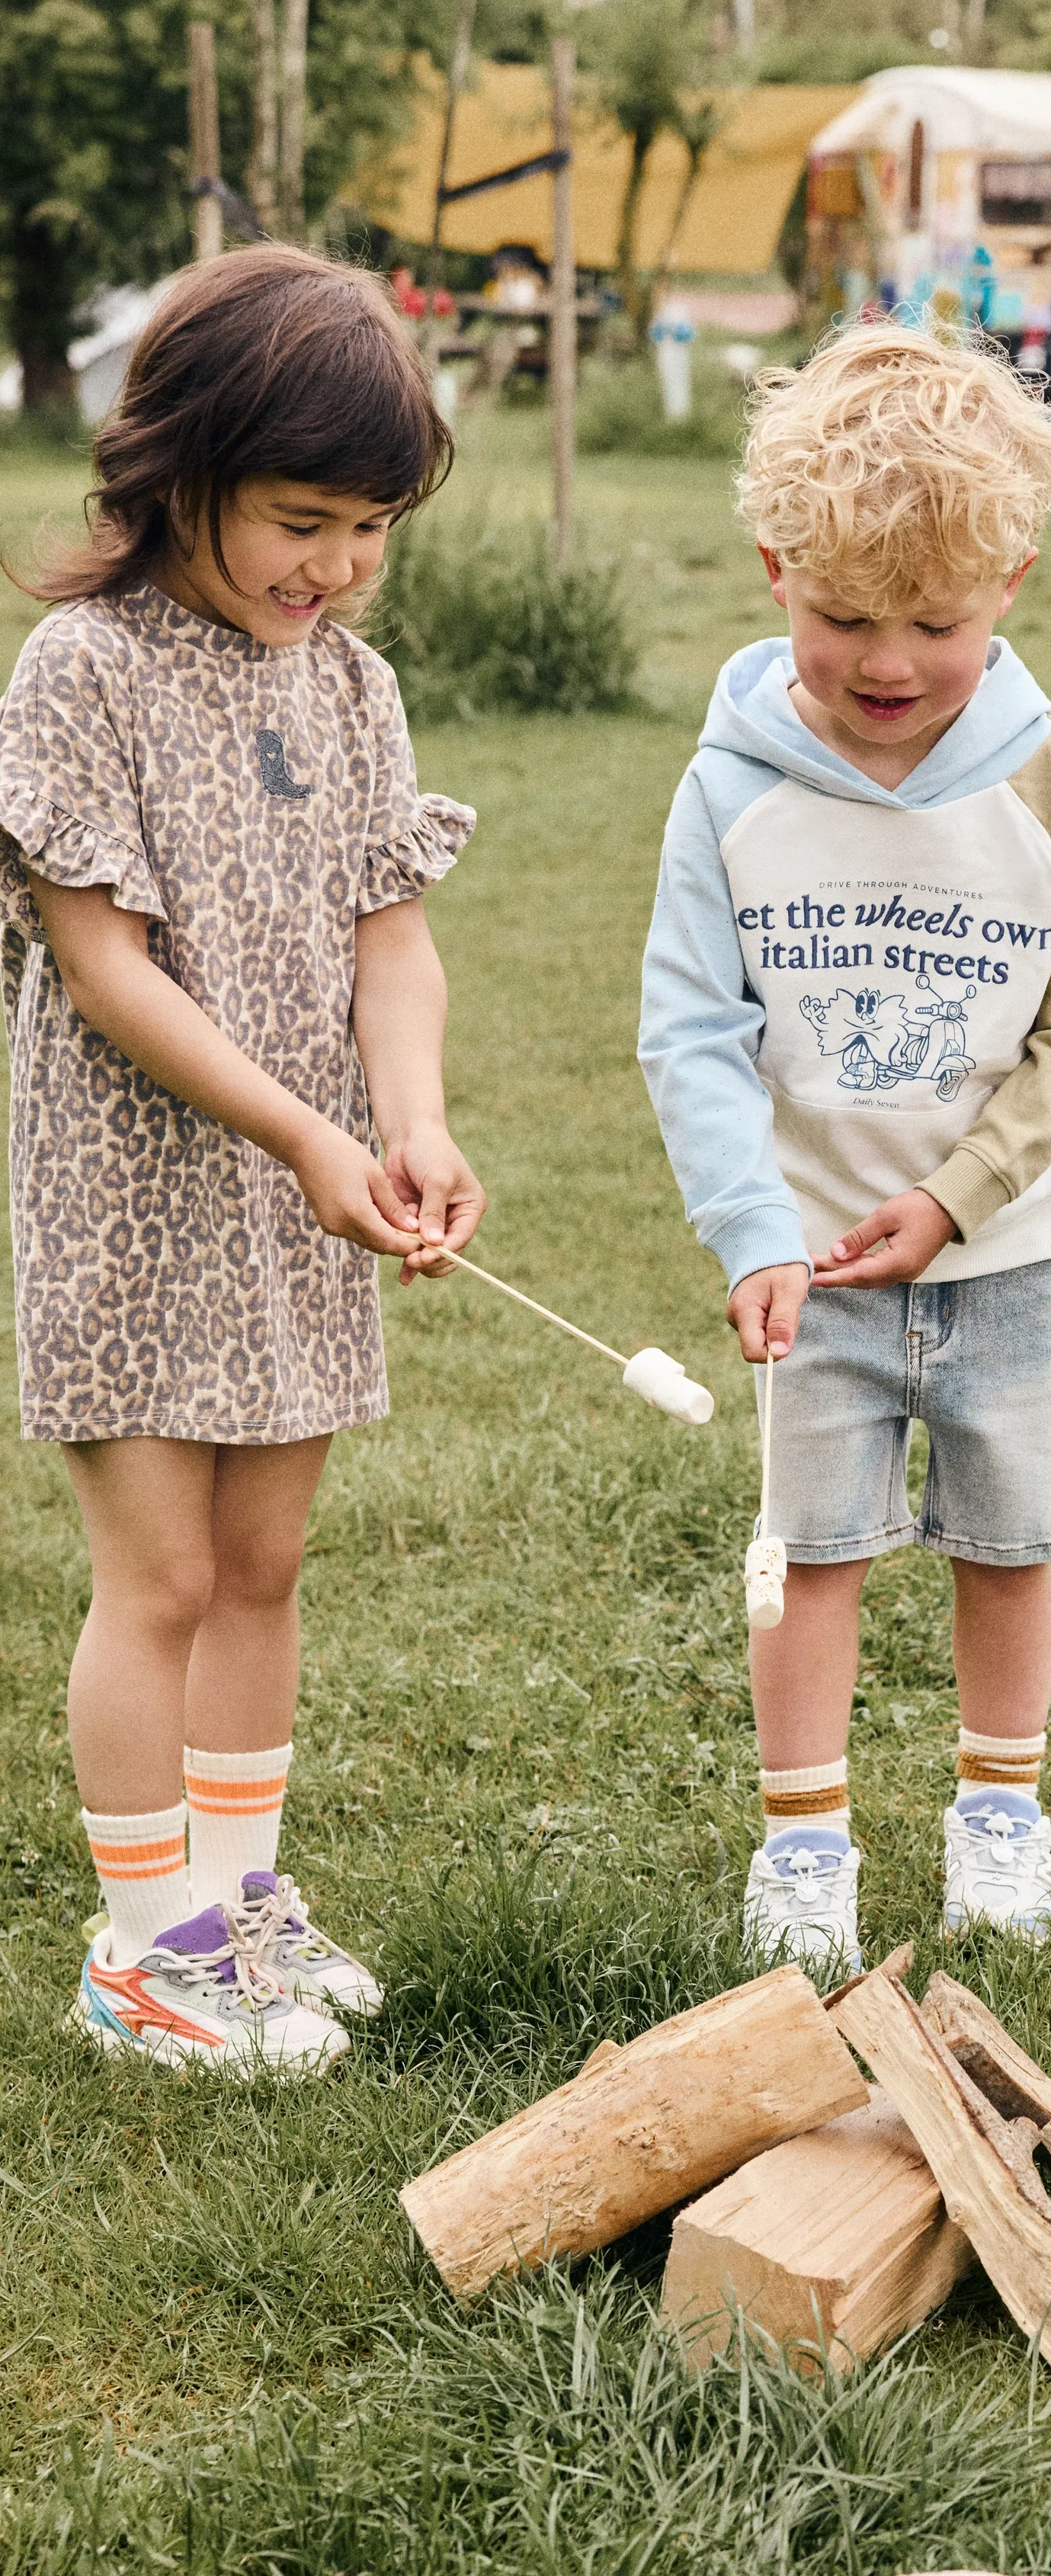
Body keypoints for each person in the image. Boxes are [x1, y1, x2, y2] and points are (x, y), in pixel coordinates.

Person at [0, 246, 485, 2071]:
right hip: (134, 1199)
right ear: (175, 468)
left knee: (266, 1558)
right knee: (167, 1576)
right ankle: (143, 1949)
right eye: (302, 518)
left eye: (371, 526)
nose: (337, 565)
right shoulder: (83, 670)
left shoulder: (348, 688)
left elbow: (391, 938)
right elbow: (98, 955)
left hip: (301, 1199)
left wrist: (409, 1121)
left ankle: (237, 1895)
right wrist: (300, 1127)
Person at [640, 321, 1051, 1971]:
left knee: (1011, 1547)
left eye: (934, 619)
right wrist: (752, 1231)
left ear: (1013, 579)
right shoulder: (726, 793)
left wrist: (957, 1196)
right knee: (810, 1554)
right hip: (814, 1275)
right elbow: (692, 1029)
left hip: (1018, 1256)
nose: (888, 659)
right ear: (775, 565)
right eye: (844, 615)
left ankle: (1000, 1814)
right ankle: (805, 1845)